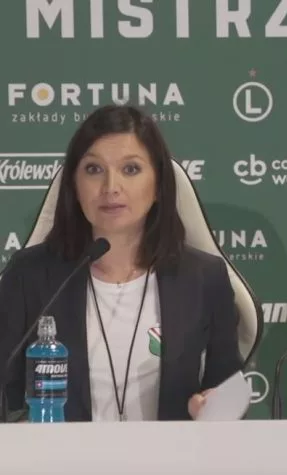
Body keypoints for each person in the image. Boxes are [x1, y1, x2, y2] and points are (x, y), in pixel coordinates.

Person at [0, 104, 243, 422]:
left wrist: (212, 408)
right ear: (74, 186)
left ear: (158, 186)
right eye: (93, 169)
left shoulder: (203, 278)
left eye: (130, 169)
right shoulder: (30, 276)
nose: (111, 187)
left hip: (172, 453)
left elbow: (228, 388)